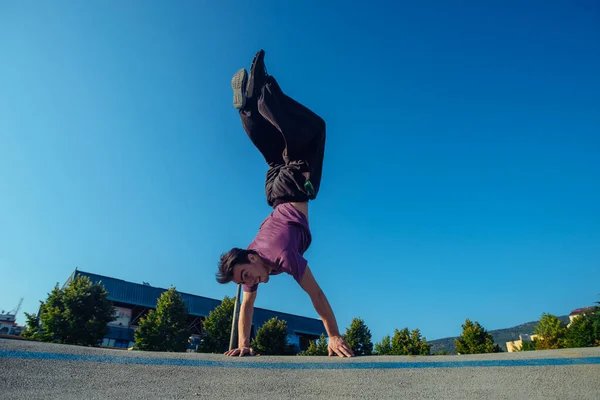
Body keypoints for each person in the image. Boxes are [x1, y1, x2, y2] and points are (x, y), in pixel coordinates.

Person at [216, 50, 354, 358]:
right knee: (274, 151)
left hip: (292, 188)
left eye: (245, 276)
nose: (249, 283)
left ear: (251, 257)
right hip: (274, 190)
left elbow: (315, 293)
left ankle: (264, 90)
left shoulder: (281, 255)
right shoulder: (254, 265)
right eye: (244, 281)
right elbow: (246, 309)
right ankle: (248, 110)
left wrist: (333, 335)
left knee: (314, 131)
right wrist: (243, 346)